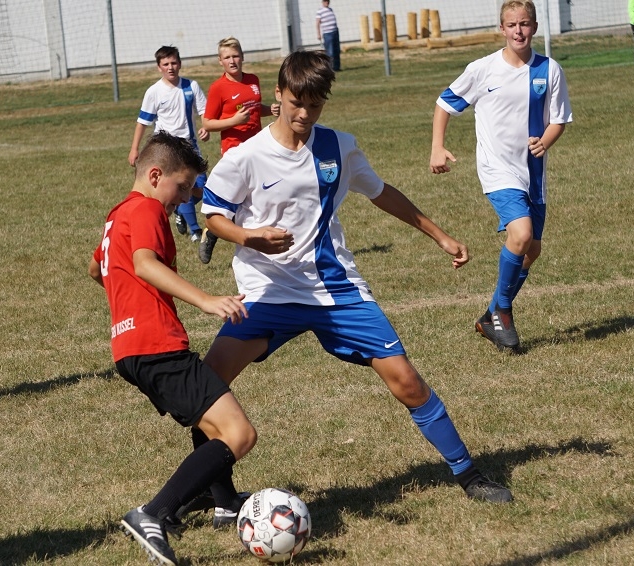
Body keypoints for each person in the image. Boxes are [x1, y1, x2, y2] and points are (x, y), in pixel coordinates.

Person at [196, 50, 513, 506]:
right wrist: (249, 237)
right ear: (278, 95)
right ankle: (214, 495)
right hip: (269, 291)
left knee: (407, 381)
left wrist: (440, 236)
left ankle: (469, 475)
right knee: (207, 386)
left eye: (315, 105)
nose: (305, 114)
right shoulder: (246, 157)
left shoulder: (338, 146)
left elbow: (381, 193)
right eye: (296, 103)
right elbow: (213, 215)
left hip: (336, 289)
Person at [89, 131, 256, 566]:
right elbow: (144, 263)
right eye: (182, 187)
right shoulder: (146, 209)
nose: (184, 198)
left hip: (129, 347)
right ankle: (153, 513)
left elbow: (96, 267)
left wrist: (126, 295)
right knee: (239, 434)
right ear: (154, 175)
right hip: (156, 343)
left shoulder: (116, 215)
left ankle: (224, 501)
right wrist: (207, 300)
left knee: (212, 418)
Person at [430, 0, 572, 354]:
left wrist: (546, 141)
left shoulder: (549, 70)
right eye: (512, 25)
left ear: (534, 27)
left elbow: (559, 119)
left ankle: (490, 315)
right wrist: (437, 146)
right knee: (520, 234)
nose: (518, 31)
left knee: (532, 250)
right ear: (502, 29)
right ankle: (503, 311)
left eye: (524, 24)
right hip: (497, 169)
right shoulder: (483, 69)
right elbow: (445, 103)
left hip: (533, 173)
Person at [199, 37, 280, 265]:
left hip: (258, 145)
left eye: (235, 56)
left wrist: (270, 109)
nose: (232, 61)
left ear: (242, 57)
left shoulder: (253, 80)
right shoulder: (218, 88)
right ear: (220, 61)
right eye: (227, 58)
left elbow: (254, 109)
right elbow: (207, 123)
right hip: (234, 149)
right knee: (237, 196)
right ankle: (212, 230)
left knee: (259, 193)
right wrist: (234, 121)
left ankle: (261, 238)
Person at [129, 45, 211, 244]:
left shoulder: (191, 86)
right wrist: (134, 149)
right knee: (182, 185)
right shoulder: (154, 92)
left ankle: (180, 211)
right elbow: (143, 122)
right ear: (159, 67)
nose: (170, 67)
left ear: (180, 64)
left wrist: (205, 127)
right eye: (165, 64)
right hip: (166, 148)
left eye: (174, 63)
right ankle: (195, 231)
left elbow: (204, 112)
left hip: (189, 145)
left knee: (201, 189)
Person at [316, 0, 342, 71]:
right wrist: (318, 34)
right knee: (330, 52)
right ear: (322, 2)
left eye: (328, 1)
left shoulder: (330, 9)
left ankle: (337, 67)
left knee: (337, 50)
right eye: (325, 1)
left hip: (335, 32)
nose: (327, 2)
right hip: (327, 33)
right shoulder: (320, 11)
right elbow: (317, 23)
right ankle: (330, 68)